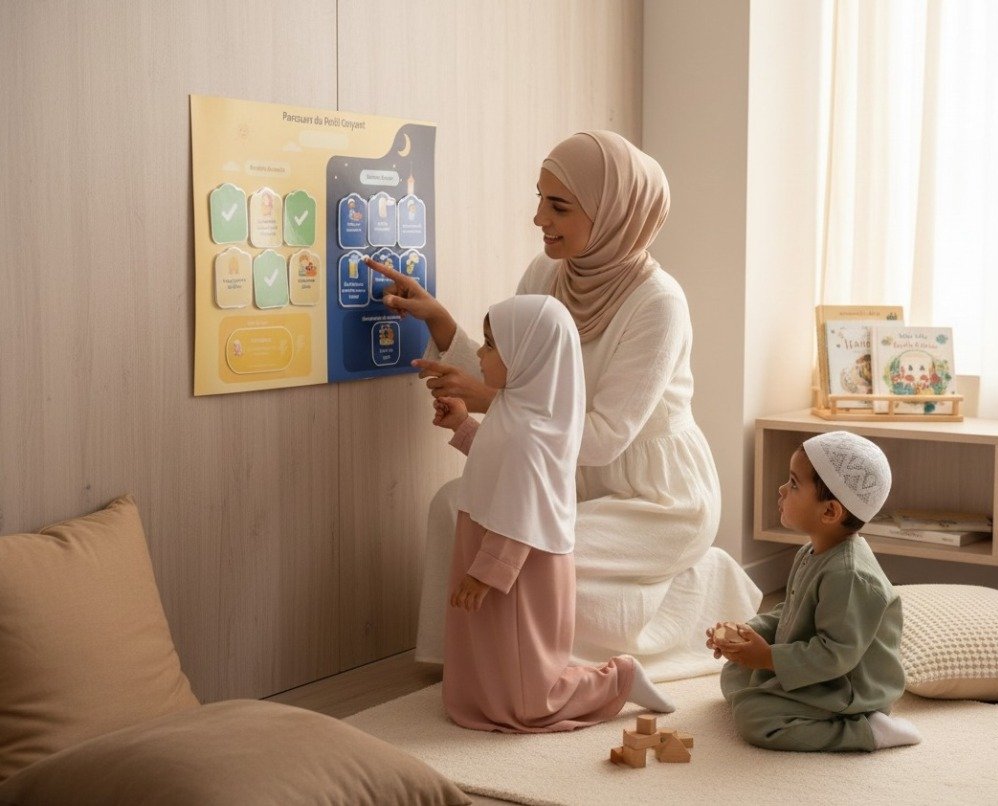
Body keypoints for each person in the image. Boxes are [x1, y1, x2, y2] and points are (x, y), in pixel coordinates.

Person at [368, 130, 760, 681]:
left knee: (531, 554)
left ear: (614, 213)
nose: (538, 219)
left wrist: (490, 401)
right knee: (452, 504)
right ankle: (456, 657)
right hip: (564, 478)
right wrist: (439, 320)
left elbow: (603, 438)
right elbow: (506, 366)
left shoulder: (658, 303)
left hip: (654, 500)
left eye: (558, 206)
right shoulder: (544, 276)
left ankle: (697, 587)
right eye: (539, 199)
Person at [434, 294, 674, 731]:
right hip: (489, 541)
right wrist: (464, 425)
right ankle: (484, 698)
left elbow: (522, 509)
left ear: (528, 353)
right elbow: (497, 463)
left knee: (529, 689)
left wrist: (485, 572)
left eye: (491, 345)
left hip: (521, 562)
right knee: (489, 651)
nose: (482, 355)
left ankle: (617, 678)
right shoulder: (517, 407)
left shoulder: (533, 429)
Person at [705, 431, 921, 752]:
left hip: (847, 687)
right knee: (735, 673)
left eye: (793, 484)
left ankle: (868, 730)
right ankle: (779, 688)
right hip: (817, 669)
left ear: (830, 512)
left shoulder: (849, 575)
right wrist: (749, 633)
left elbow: (834, 655)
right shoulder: (811, 551)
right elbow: (789, 611)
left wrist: (767, 657)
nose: (781, 490)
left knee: (755, 717)